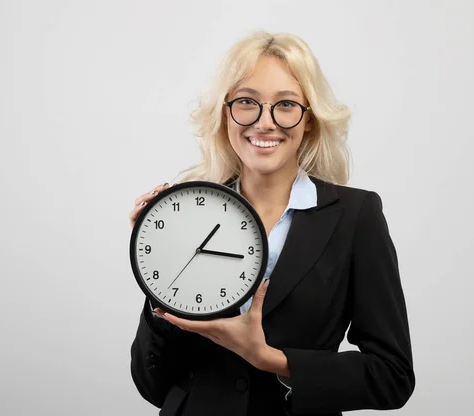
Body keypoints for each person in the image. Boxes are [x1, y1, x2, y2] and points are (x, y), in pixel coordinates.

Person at [128, 31, 415, 416]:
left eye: (286, 105)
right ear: (225, 113)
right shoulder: (188, 215)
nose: (265, 123)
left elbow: (392, 376)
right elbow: (153, 385)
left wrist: (273, 359)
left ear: (310, 120)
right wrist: (159, 280)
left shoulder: (355, 216)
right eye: (247, 102)